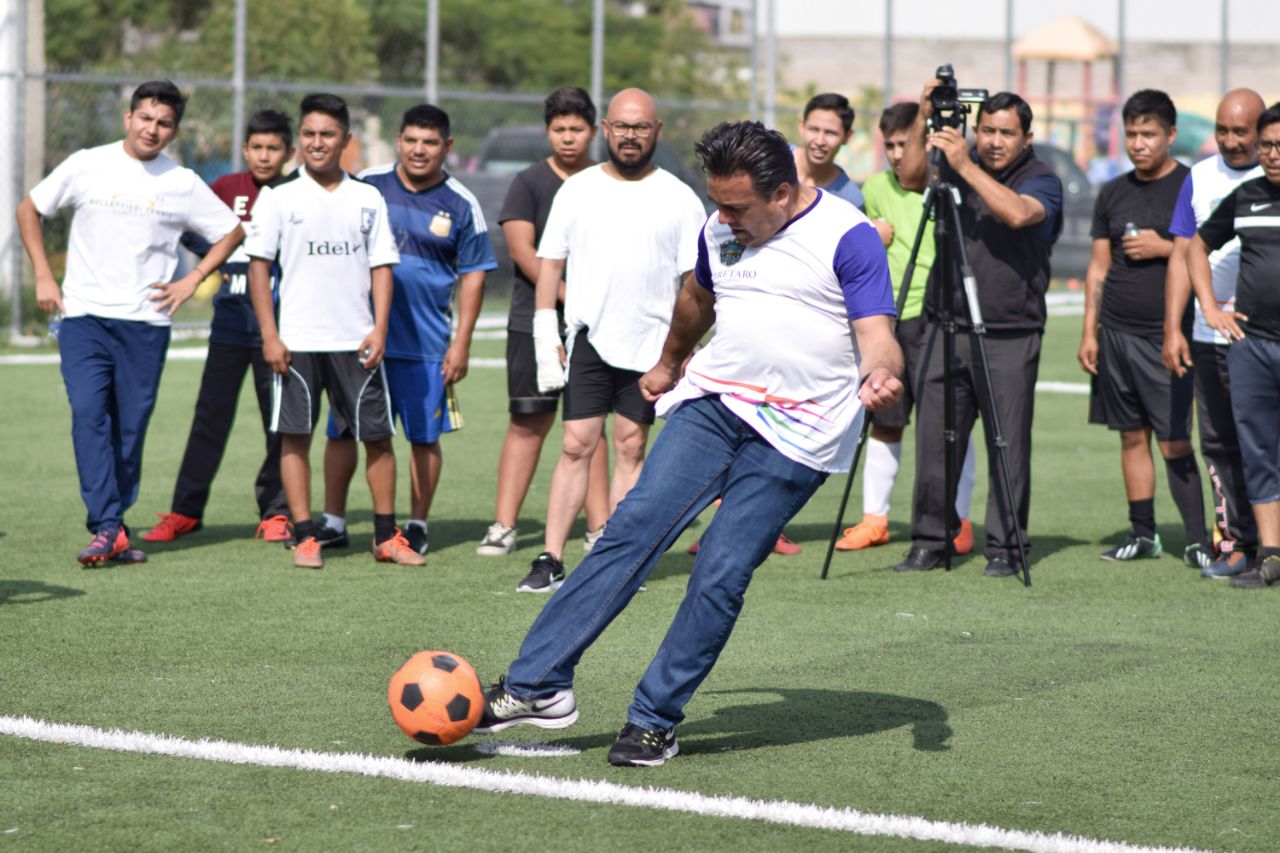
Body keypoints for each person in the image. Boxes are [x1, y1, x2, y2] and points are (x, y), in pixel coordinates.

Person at [474, 120, 902, 766]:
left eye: (737, 206)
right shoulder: (717, 228)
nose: (722, 217)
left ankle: (654, 717)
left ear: (783, 194)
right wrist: (670, 361)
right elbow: (697, 297)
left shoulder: (849, 237)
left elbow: (877, 333)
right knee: (630, 530)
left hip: (799, 433)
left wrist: (881, 373)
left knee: (720, 571)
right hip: (715, 402)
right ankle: (537, 685)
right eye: (717, 201)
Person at [16, 80, 244, 565]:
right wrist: (43, 276)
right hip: (83, 318)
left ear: (174, 131)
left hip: (146, 323)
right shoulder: (87, 163)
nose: (152, 129)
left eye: (163, 123)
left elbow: (231, 231)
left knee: (129, 430)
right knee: (87, 414)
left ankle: (114, 528)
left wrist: (195, 278)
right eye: (145, 118)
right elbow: (29, 208)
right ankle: (105, 524)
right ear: (128, 118)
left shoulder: (180, 181)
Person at [518, 87, 706, 593]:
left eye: (641, 127)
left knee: (630, 445)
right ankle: (550, 557)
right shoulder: (577, 190)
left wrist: (685, 347)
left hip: (650, 346)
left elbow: (694, 281)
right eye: (621, 126)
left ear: (657, 131)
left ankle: (617, 559)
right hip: (590, 339)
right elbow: (550, 263)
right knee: (577, 444)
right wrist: (544, 331)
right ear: (606, 128)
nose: (630, 135)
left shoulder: (680, 198)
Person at [244, 93, 421, 569]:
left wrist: (380, 328)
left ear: (346, 140)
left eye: (326, 135)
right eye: (308, 135)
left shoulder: (367, 197)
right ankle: (306, 537)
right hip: (297, 343)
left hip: (356, 340)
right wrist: (270, 334)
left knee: (378, 438)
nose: (316, 143)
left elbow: (382, 267)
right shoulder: (279, 198)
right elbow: (259, 268)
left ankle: (386, 537)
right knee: (295, 438)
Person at [898, 85, 1063, 577]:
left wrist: (965, 165)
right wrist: (923, 117)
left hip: (1009, 332)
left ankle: (1006, 548)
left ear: (1026, 137)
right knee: (933, 442)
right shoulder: (951, 163)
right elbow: (908, 175)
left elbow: (1017, 213)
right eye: (986, 129)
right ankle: (930, 540)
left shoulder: (1041, 178)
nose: (993, 141)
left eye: (1006, 133)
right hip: (945, 325)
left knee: (1006, 444)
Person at [317, 104, 497, 557]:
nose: (419, 150)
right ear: (398, 141)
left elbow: (474, 273)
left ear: (447, 147)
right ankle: (334, 521)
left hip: (425, 345)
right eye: (412, 140)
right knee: (342, 430)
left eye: (430, 142)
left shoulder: (462, 203)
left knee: (423, 436)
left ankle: (416, 523)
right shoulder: (367, 185)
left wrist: (462, 343)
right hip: (358, 338)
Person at [142, 110, 297, 545]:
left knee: (280, 424)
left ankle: (276, 511)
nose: (264, 156)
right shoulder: (226, 188)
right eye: (257, 147)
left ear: (288, 153)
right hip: (229, 327)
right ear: (245, 149)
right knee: (208, 420)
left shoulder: (296, 193)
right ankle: (185, 511)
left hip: (281, 333)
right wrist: (219, 261)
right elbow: (188, 227)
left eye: (274, 148)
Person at [836, 102, 977, 555]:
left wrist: (928, 101)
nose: (897, 154)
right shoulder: (875, 188)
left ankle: (960, 521)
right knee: (886, 421)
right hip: (893, 322)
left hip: (942, 320)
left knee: (951, 426)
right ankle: (874, 519)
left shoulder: (947, 187)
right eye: (890, 145)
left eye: (905, 143)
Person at [1078, 89, 1212, 568]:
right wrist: (1090, 332)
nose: (1139, 143)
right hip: (1114, 332)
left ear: (1170, 135)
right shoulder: (1112, 191)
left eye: (1149, 134)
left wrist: (1165, 248)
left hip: (1167, 336)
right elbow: (1098, 267)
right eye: (1131, 134)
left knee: (1174, 440)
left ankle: (1198, 540)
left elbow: (1211, 255)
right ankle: (1144, 534)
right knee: (1130, 435)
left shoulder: (1194, 186)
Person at [476, 87, 611, 558]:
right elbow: (522, 252)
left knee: (590, 426)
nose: (568, 138)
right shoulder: (529, 182)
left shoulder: (607, 182)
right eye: (559, 129)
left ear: (593, 131)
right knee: (528, 420)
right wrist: (568, 297)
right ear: (547, 131)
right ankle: (504, 526)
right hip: (535, 322)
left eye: (577, 129)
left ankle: (600, 530)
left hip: (596, 326)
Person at [1162, 89, 1266, 580]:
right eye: (1222, 130)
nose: (1229, 141)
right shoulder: (1199, 177)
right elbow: (1186, 251)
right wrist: (1174, 328)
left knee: (1264, 442)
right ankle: (1236, 543)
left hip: (1265, 335)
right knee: (1221, 444)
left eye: (1240, 131)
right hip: (1210, 335)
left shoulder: (1271, 179)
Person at [1187, 101, 1280, 589]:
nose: (1271, 154)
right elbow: (1196, 247)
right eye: (1266, 145)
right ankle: (1271, 556)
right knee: (1256, 451)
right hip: (1253, 346)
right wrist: (1210, 307)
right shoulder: (1246, 197)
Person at [792, 92, 864, 209]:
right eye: (814, 129)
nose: (820, 141)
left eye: (830, 133)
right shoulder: (770, 159)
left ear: (848, 136)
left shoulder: (850, 199)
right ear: (802, 128)